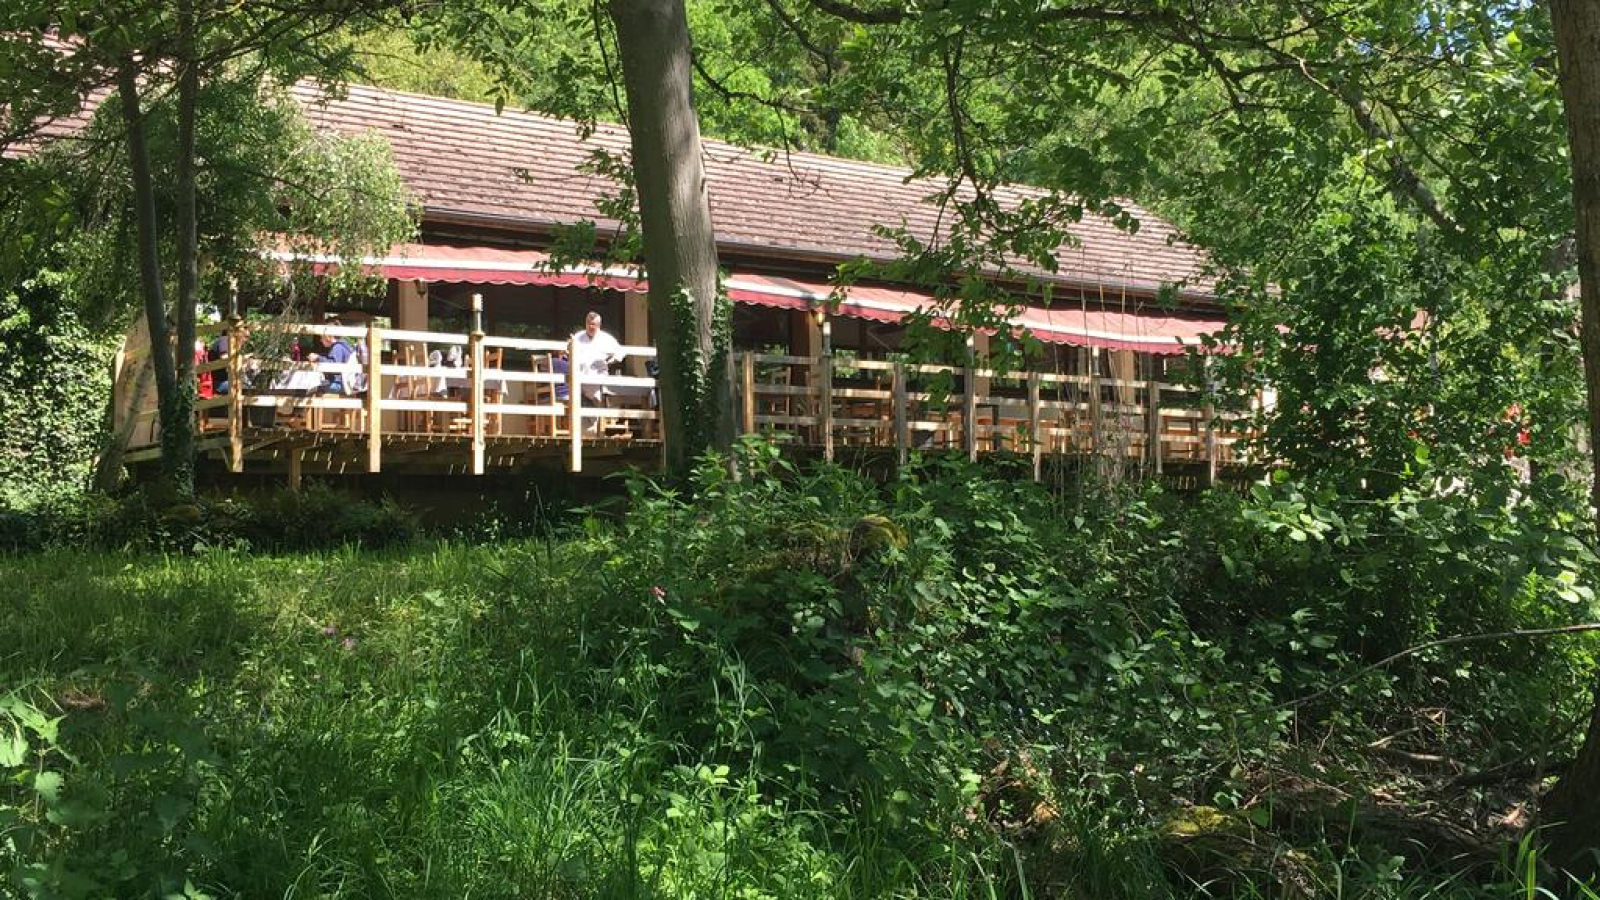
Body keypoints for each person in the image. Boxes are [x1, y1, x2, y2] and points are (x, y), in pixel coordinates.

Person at [571, 311, 623, 406]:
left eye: (593, 324)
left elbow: (620, 352)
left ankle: (594, 410)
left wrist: (611, 360)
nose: (591, 327)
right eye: (588, 323)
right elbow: (569, 351)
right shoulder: (578, 336)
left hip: (598, 374)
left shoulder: (606, 338)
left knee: (596, 394)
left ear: (599, 325)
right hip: (580, 374)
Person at [309, 325, 356, 394]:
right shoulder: (343, 345)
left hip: (342, 384)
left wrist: (318, 358)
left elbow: (333, 367)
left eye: (322, 337)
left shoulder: (337, 347)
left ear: (328, 337)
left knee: (313, 387)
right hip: (345, 382)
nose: (320, 340)